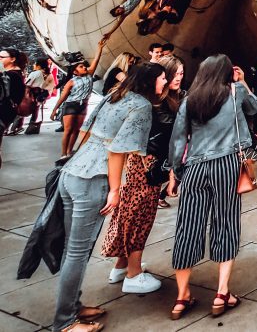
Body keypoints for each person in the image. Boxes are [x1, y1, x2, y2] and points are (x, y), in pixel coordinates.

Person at [52, 62, 165, 332]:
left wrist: (74, 160)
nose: (164, 83)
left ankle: (72, 307)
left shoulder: (113, 95)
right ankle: (64, 323)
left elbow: (86, 131)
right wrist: (115, 190)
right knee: (78, 253)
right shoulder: (141, 106)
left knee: (73, 250)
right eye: (162, 79)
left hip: (74, 172)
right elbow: (118, 151)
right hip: (93, 181)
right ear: (150, 83)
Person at [167, 55, 257, 321]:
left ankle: (181, 297)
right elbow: (254, 109)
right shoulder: (235, 92)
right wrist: (243, 82)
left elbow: (177, 138)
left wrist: (176, 170)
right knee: (226, 222)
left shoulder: (190, 99)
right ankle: (221, 293)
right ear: (228, 72)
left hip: (195, 167)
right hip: (228, 164)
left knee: (188, 226)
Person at [101, 57, 183, 294]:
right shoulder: (144, 106)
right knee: (138, 218)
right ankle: (133, 275)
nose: (172, 80)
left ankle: (122, 266)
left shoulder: (146, 101)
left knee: (130, 215)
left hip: (145, 169)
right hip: (142, 170)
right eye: (167, 76)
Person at [52, 52, 102, 160]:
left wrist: (99, 49)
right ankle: (63, 154)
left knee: (76, 130)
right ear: (75, 71)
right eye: (81, 66)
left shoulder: (89, 76)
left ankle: (69, 151)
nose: (84, 67)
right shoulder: (71, 82)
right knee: (68, 130)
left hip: (83, 106)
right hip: (71, 106)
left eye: (84, 66)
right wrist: (54, 110)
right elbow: (63, 97)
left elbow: (96, 61)